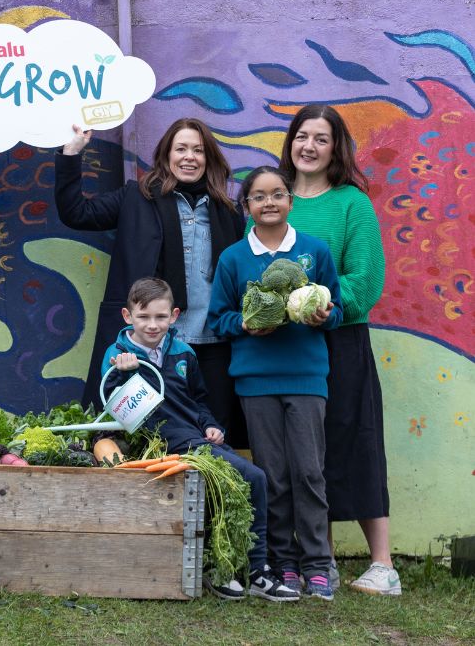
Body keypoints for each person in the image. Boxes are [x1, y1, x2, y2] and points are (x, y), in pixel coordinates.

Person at [103, 277, 299, 602]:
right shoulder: (119, 354)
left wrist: (211, 426)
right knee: (253, 476)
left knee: (250, 479)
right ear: (127, 316)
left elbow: (199, 401)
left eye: (161, 317)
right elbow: (112, 404)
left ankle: (253, 570)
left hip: (197, 440)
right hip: (163, 445)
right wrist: (122, 371)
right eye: (144, 317)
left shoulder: (184, 354)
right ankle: (229, 569)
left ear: (175, 315)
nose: (152, 325)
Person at [54, 119, 248, 447]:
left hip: (214, 341)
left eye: (198, 150)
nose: (190, 157)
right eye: (181, 149)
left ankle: (211, 500)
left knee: (214, 437)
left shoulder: (228, 211)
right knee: (140, 439)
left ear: (209, 157)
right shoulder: (136, 197)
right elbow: (76, 212)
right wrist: (72, 154)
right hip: (151, 345)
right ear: (166, 155)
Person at [275, 104, 399, 596]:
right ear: (290, 142)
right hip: (285, 346)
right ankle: (319, 559)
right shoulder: (276, 196)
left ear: (335, 148)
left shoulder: (353, 204)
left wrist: (322, 304)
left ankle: (383, 565)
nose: (308, 146)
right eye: (301, 136)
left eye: (320, 139)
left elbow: (366, 281)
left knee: (355, 441)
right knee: (306, 450)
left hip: (339, 339)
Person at [208, 166, 343, 600]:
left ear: (290, 201)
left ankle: (319, 564)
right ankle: (282, 563)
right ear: (245, 206)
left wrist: (324, 315)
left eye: (278, 194)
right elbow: (219, 319)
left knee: (309, 472)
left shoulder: (314, 251)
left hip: (306, 377)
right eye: (259, 196)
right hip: (255, 380)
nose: (269, 203)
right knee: (274, 477)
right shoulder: (233, 258)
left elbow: (336, 310)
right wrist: (247, 325)